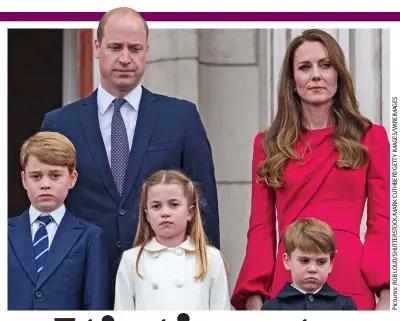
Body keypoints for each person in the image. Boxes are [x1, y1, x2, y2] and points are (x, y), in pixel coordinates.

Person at [40, 7, 219, 306]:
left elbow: (204, 204)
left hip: (163, 285)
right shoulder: (60, 123)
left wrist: (206, 274)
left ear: (147, 51)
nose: (125, 58)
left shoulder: (181, 117)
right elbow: (45, 209)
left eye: (135, 48)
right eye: (115, 47)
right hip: (82, 283)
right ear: (97, 48)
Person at [231, 29, 389, 311]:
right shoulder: (268, 144)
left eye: (325, 65)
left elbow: (383, 220)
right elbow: (260, 226)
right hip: (288, 281)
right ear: (293, 81)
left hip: (350, 277)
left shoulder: (370, 137)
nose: (316, 75)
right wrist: (254, 293)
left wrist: (388, 292)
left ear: (338, 75)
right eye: (305, 67)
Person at [8, 132, 109, 310]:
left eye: (55, 176)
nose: (45, 184)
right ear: (24, 180)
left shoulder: (90, 237)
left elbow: (96, 303)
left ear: (72, 179)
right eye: (36, 176)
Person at [114, 170, 230, 310]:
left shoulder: (210, 258)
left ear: (190, 212)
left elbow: (221, 312)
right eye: (156, 206)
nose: (165, 213)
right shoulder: (132, 260)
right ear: (147, 215)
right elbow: (123, 312)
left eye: (174, 205)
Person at [261, 218, 357, 310]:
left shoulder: (344, 306)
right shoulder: (271, 308)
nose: (312, 269)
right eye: (304, 261)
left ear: (330, 264)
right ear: (287, 261)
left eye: (321, 262)